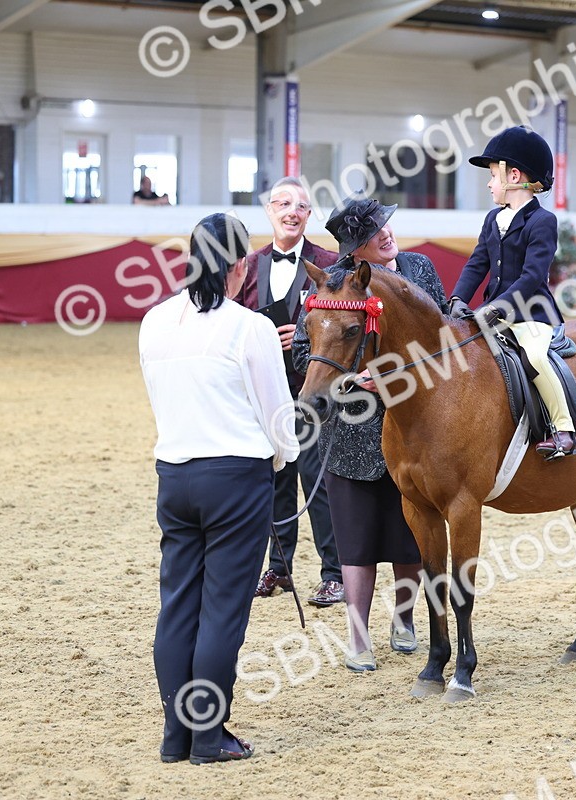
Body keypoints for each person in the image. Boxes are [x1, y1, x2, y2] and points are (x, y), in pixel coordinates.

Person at [139, 212, 298, 764]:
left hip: (174, 474)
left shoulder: (154, 321)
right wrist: (284, 458)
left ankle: (175, 735)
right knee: (223, 612)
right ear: (239, 266)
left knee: (177, 608)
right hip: (235, 478)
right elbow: (277, 414)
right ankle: (208, 737)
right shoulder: (250, 327)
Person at [292, 192, 447, 672]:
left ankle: (405, 619)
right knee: (355, 540)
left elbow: (445, 338)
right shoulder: (333, 283)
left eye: (385, 225)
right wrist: (352, 379)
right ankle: (358, 637)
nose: (386, 234)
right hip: (353, 430)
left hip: (416, 429)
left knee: (410, 534)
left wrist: (400, 373)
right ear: (353, 249)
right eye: (372, 232)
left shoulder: (420, 269)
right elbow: (304, 351)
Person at [237, 177, 344, 608]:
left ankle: (334, 574)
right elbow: (235, 319)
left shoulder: (330, 263)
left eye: (300, 205)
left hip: (314, 392)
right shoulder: (249, 265)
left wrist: (300, 334)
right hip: (267, 392)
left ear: (309, 215)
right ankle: (279, 569)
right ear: (269, 211)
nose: (291, 212)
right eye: (283, 204)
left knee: (319, 485)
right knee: (275, 482)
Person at [448, 125, 576, 460]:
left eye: (493, 175)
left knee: (534, 358)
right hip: (494, 313)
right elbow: (477, 263)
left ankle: (563, 430)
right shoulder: (493, 218)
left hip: (531, 314)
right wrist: (458, 299)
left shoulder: (542, 221)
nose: (489, 183)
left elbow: (533, 277)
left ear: (514, 176)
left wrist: (498, 308)